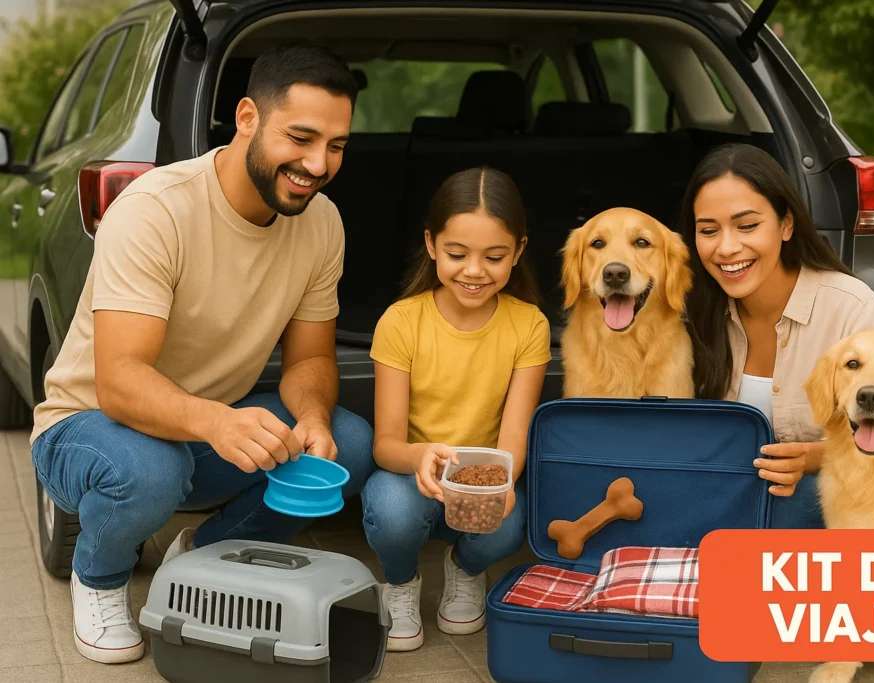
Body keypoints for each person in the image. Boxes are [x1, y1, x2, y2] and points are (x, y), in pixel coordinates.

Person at [29, 42, 376, 664]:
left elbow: (309, 363)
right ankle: (100, 579)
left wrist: (315, 420)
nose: (317, 163)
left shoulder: (322, 223)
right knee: (149, 471)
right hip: (89, 428)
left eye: (337, 146)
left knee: (347, 443)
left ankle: (206, 556)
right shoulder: (156, 209)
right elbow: (120, 382)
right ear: (247, 118)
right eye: (300, 137)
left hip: (205, 429)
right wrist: (219, 421)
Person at [362, 167, 550, 652]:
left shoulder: (529, 325)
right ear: (431, 245)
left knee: (509, 524)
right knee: (390, 509)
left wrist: (502, 481)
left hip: (483, 477)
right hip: (413, 475)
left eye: (494, 257)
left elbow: (513, 440)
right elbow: (386, 445)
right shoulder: (402, 321)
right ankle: (400, 582)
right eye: (457, 254)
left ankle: (465, 568)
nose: (474, 271)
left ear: (519, 252)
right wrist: (421, 456)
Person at [677, 143, 874, 529]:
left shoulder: (852, 309)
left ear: (786, 224)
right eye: (708, 230)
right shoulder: (687, 313)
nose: (727, 248)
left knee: (791, 502)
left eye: (747, 226)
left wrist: (814, 458)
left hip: (826, 507)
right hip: (723, 498)